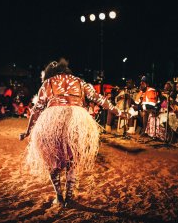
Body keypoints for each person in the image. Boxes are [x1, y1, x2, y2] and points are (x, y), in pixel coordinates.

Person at [21, 59, 125, 207]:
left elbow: (37, 109)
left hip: (51, 121)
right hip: (77, 121)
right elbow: (100, 99)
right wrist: (119, 112)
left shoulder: (48, 83)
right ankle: (69, 198)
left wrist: (27, 131)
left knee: (52, 160)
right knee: (72, 161)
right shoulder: (80, 82)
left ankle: (59, 196)